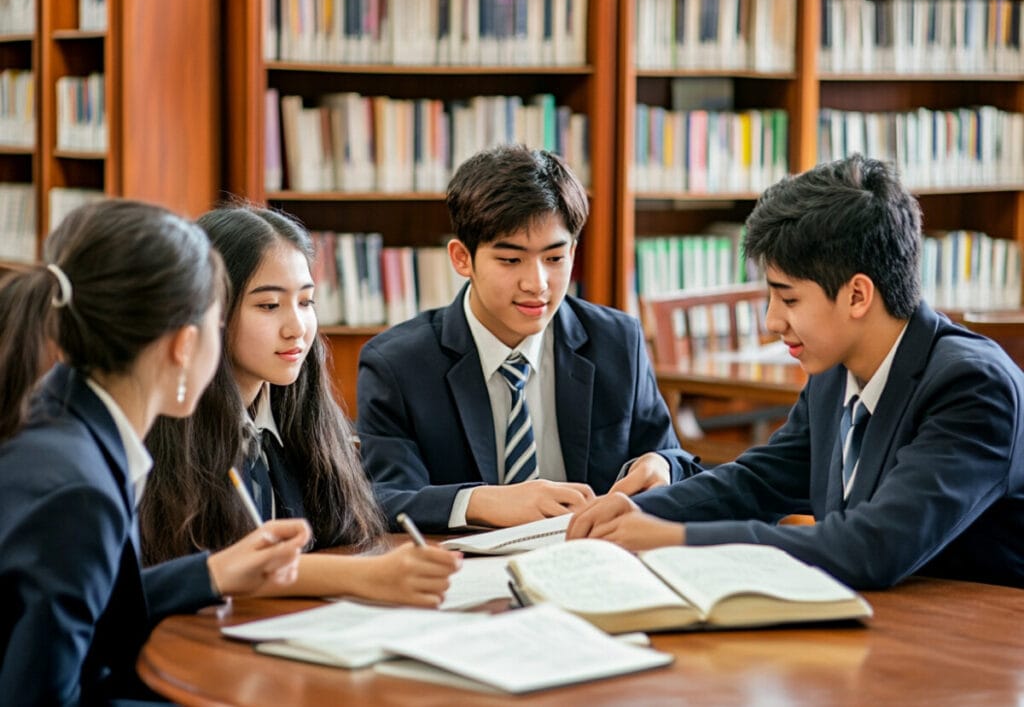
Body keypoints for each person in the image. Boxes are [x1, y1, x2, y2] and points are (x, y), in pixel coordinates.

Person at [568, 154, 1024, 590]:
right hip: (882, 622)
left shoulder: (972, 388)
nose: (771, 321)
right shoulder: (834, 370)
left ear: (858, 296)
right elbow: (759, 481)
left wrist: (675, 540)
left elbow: (873, 547)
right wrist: (636, 512)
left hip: (980, 641)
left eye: (788, 300)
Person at [0, 200, 310, 705]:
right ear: (184, 345)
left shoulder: (55, 418)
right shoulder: (80, 492)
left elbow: (93, 610)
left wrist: (210, 573)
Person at [357, 144, 702, 533]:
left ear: (573, 250)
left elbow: (674, 457)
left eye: (555, 259)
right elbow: (381, 497)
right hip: (461, 573)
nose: (536, 284)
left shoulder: (616, 341)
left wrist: (662, 467)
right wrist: (482, 501)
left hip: (593, 562)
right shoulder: (398, 363)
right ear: (461, 258)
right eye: (510, 260)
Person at [141, 205, 460, 606]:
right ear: (210, 312)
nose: (297, 329)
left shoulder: (305, 418)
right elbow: (205, 573)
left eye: (306, 302)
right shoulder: (162, 432)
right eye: (269, 306)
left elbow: (343, 531)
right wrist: (359, 576)